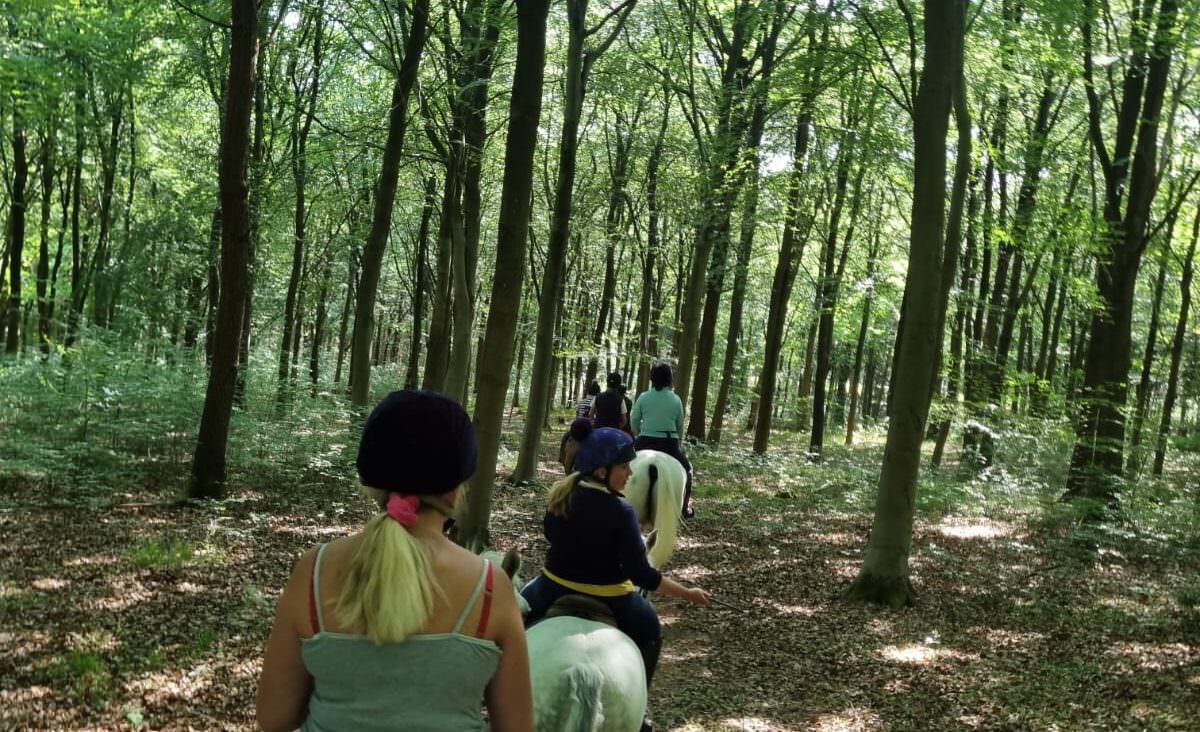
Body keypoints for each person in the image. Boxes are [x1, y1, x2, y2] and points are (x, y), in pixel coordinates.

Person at [256, 390, 533, 732]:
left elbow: (274, 718)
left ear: (372, 483)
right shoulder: (491, 587)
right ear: (453, 490)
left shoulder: (314, 571)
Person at [521, 419, 710, 732]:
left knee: (515, 616)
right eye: (624, 467)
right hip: (613, 598)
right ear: (601, 472)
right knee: (651, 631)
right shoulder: (622, 512)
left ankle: (497, 692)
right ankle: (641, 710)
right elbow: (641, 575)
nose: (631, 474)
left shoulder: (560, 495)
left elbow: (551, 535)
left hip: (552, 588)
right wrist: (687, 593)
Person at [630, 361, 695, 517]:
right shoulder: (676, 399)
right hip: (669, 442)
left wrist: (641, 433)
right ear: (669, 379)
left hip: (644, 441)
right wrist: (677, 440)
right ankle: (684, 508)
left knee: (621, 463)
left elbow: (634, 422)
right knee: (688, 470)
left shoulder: (644, 397)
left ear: (652, 378)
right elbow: (680, 427)